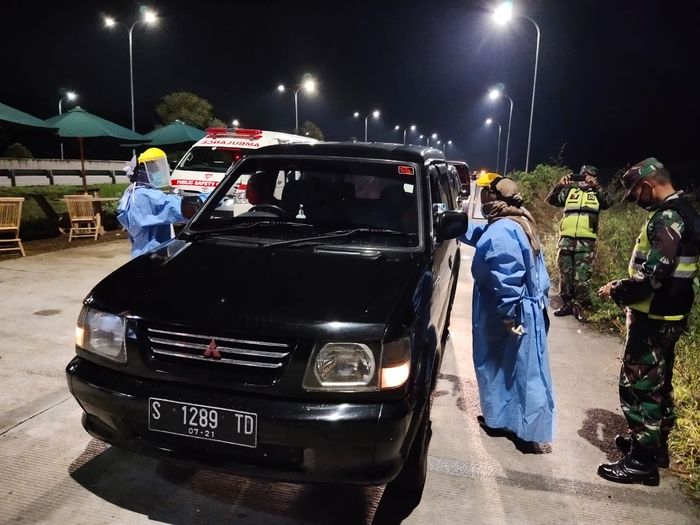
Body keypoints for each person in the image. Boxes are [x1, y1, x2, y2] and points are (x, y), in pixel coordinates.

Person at [597, 158, 698, 486]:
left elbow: (655, 275)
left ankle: (641, 462)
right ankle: (655, 449)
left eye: (635, 193)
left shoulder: (667, 218)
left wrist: (617, 289)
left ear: (648, 185)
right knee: (659, 384)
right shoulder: (687, 212)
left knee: (639, 387)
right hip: (671, 314)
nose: (636, 200)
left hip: (654, 316)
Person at [461, 173, 555, 449]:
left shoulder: (502, 231)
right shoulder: (519, 219)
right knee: (518, 369)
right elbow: (481, 235)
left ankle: (518, 428)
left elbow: (507, 274)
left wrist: (508, 314)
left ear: (492, 197)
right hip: (526, 308)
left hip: (507, 308)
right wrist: (454, 225)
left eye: (484, 193)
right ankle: (509, 422)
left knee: (506, 368)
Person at [546, 165, 611, 322]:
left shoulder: (596, 194)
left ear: (594, 178)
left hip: (585, 242)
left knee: (582, 278)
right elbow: (551, 200)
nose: (584, 179)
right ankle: (567, 304)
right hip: (566, 241)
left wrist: (595, 187)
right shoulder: (571, 191)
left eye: (589, 176)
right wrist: (560, 185)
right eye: (582, 175)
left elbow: (609, 202)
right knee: (565, 275)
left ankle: (580, 307)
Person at [117, 147, 188, 258]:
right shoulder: (145, 196)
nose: (158, 172)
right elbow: (177, 207)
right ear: (141, 172)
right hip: (152, 254)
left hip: (142, 251)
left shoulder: (132, 193)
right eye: (153, 170)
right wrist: (209, 198)